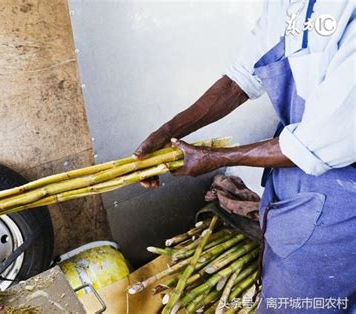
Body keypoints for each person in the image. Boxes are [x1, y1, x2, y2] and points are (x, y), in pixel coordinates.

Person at [134, 1, 355, 312]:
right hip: (292, 181)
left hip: (342, 199)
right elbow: (241, 77)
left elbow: (322, 139)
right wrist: (169, 131)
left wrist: (212, 158)